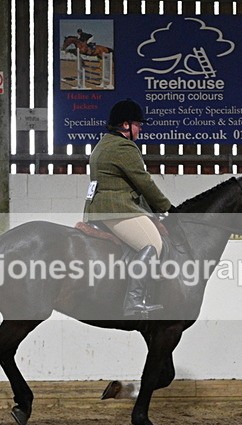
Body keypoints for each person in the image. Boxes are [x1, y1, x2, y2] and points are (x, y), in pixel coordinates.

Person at [83, 99, 174, 317]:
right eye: (137, 124)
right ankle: (134, 300)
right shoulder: (124, 147)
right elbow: (144, 183)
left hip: (99, 208)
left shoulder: (103, 143)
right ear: (125, 125)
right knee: (153, 244)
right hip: (117, 209)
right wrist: (168, 208)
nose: (140, 128)